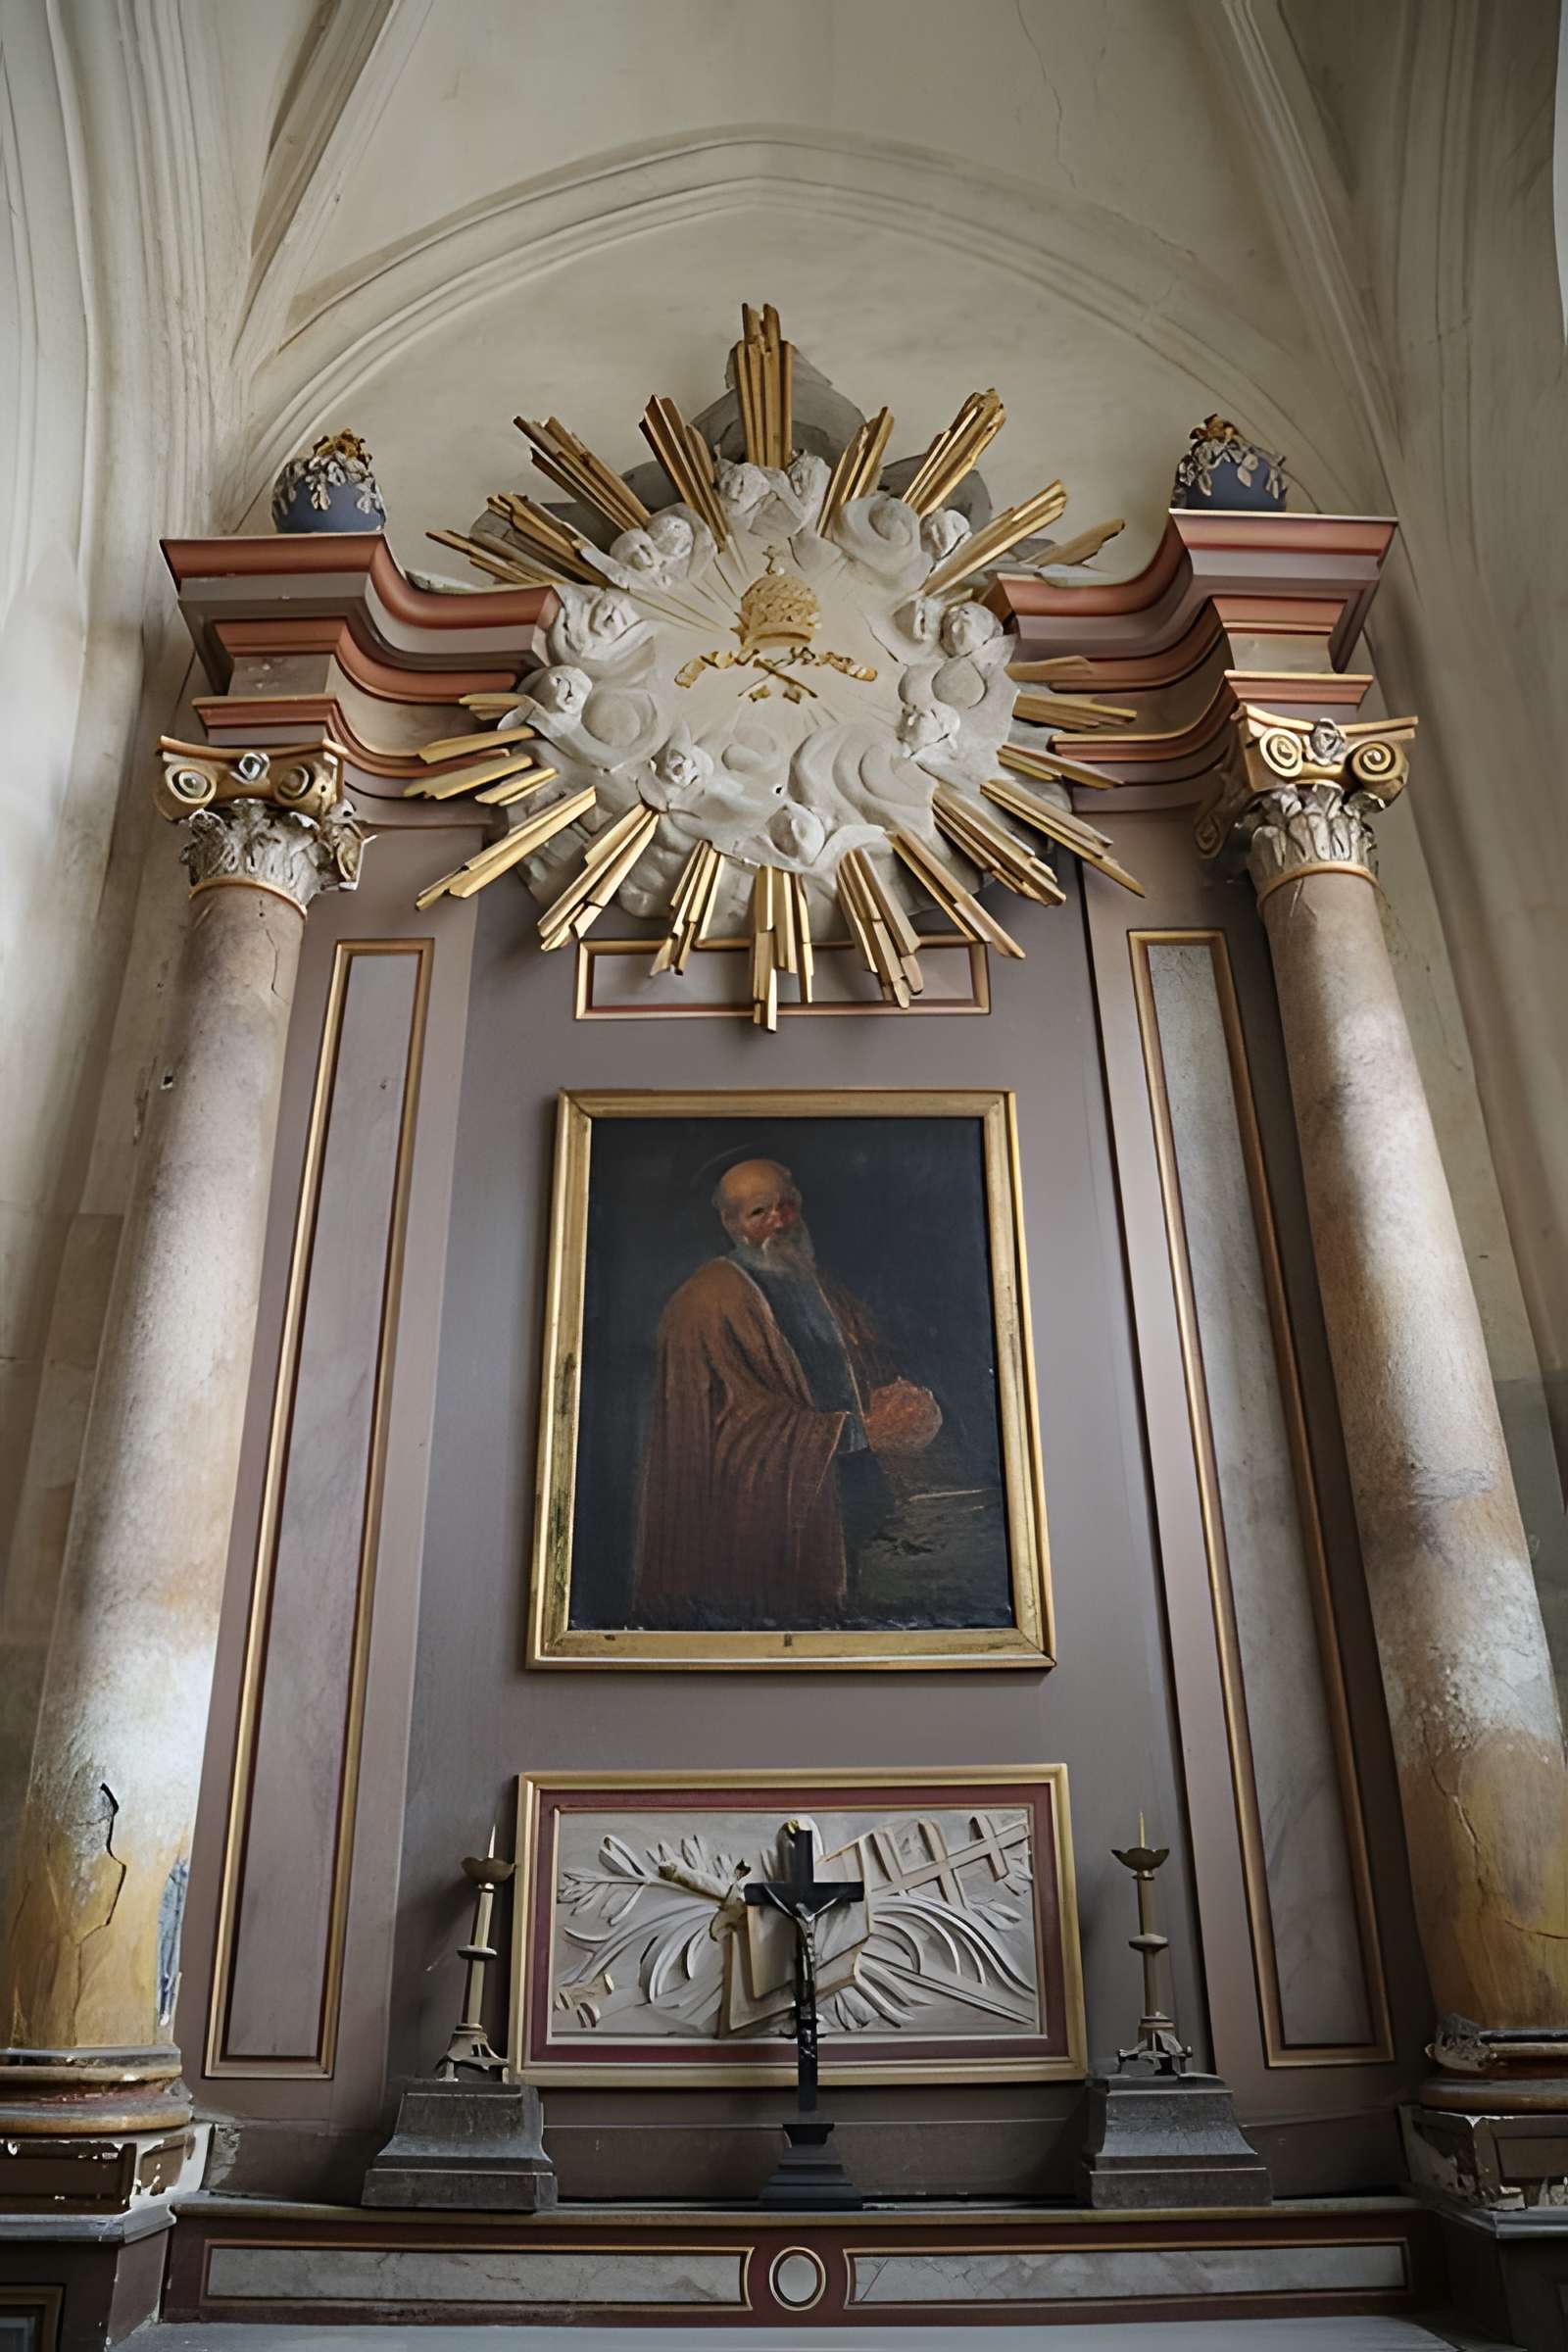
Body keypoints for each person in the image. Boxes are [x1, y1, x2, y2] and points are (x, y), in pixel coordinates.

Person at [631, 1158, 942, 1627]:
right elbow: (727, 1436)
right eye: (759, 1212)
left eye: (787, 1205)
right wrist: (860, 1432)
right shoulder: (704, 1304)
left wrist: (905, 1405)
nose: (779, 1221)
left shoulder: (820, 1288)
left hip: (855, 1510)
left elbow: (869, 1373)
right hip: (764, 1529)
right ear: (730, 1223)